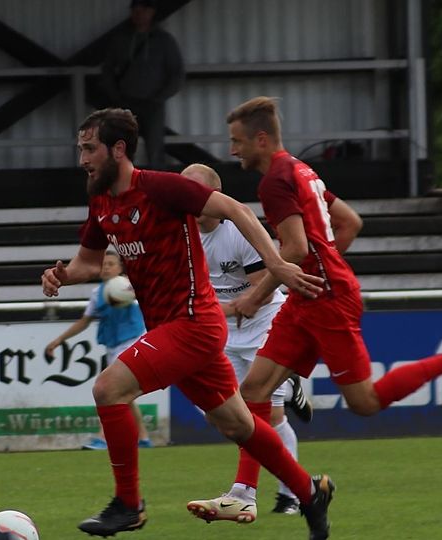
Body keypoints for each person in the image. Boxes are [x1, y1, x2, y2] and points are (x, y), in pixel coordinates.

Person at [186, 96, 442, 524]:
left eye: (237, 141)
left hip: (328, 302)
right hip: (309, 296)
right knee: (253, 393)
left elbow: (295, 249)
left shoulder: (275, 182)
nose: (233, 151)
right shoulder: (302, 171)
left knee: (365, 402)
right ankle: (243, 493)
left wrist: (256, 296)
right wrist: (323, 268)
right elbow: (350, 223)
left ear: (261, 139)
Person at [41, 108, 334, 539]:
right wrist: (62, 275)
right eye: (80, 149)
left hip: (194, 323)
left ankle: (129, 505)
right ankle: (310, 493)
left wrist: (275, 263)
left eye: (89, 149)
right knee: (238, 425)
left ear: (118, 149)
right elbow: (87, 263)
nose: (82, 159)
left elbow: (235, 208)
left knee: (108, 389)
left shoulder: (160, 187)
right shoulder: (102, 200)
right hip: (173, 328)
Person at [182, 163, 315, 518]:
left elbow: (261, 289)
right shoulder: (180, 234)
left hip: (263, 322)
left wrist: (218, 310)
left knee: (269, 416)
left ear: (215, 197)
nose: (188, 200)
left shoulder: (238, 232)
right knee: (224, 417)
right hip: (224, 331)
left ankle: (290, 495)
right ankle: (291, 386)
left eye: (195, 192)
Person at [44, 250, 152, 450]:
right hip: (112, 345)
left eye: (111, 264)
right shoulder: (97, 294)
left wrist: (131, 287)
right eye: (103, 264)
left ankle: (103, 437)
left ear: (120, 268)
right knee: (122, 395)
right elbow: (84, 322)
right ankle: (144, 438)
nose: (106, 268)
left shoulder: (129, 285)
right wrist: (58, 340)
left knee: (111, 389)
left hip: (131, 341)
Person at [99, 0, 184, 170]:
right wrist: (115, 95)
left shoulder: (163, 41)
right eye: (135, 10)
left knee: (154, 148)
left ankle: (157, 183)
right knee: (122, 147)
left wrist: (160, 96)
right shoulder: (122, 40)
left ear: (151, 12)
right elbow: (107, 69)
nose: (138, 14)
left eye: (142, 10)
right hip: (126, 102)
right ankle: (124, 182)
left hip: (153, 104)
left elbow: (176, 73)